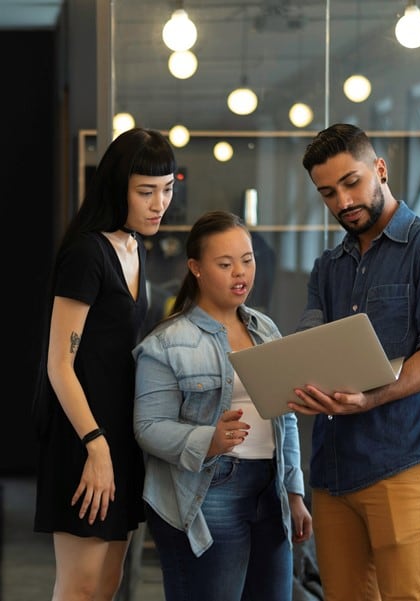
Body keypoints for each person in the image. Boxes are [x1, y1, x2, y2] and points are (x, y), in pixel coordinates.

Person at [290, 123, 420, 600]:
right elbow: (310, 342)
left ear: (380, 169)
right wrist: (297, 381)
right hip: (334, 470)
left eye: (352, 182)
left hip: (407, 460)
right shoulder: (328, 267)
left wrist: (368, 398)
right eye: (328, 193)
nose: (343, 202)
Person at [133, 210, 312, 601]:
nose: (240, 274)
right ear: (195, 268)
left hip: (271, 490)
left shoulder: (266, 330)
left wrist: (294, 492)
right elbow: (148, 426)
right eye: (225, 264)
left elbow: (286, 417)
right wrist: (208, 440)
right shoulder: (166, 343)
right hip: (209, 490)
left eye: (247, 261)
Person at [32, 127, 177, 601]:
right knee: (81, 588)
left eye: (168, 189)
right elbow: (59, 365)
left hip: (122, 436)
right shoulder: (87, 252)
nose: (160, 203)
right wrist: (95, 446)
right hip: (86, 437)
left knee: (108, 585)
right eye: (146, 192)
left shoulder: (136, 246)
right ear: (118, 188)